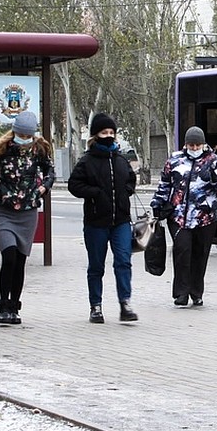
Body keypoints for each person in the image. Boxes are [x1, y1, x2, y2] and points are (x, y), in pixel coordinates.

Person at [0, 111, 54, 326]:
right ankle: (3, 306)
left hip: (28, 211)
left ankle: (15, 306)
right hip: (4, 210)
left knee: (21, 261)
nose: (24, 139)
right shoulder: (0, 150)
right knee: (10, 257)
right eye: (21, 135)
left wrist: (42, 188)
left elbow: (50, 171)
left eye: (28, 136)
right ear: (14, 131)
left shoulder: (39, 149)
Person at [150, 125, 217, 308]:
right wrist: (157, 204)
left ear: (203, 144)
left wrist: (214, 177)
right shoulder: (175, 160)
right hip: (179, 216)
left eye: (198, 145)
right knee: (182, 251)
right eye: (191, 145)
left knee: (200, 254)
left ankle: (196, 293)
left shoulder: (214, 161)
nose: (194, 149)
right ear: (186, 144)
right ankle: (181, 293)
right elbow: (164, 184)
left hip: (205, 217)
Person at [68, 114, 138, 324]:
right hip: (96, 222)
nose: (108, 136)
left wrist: (127, 190)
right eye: (104, 133)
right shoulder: (86, 161)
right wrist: (95, 193)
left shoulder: (120, 160)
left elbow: (130, 180)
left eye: (111, 133)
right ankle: (95, 306)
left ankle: (125, 303)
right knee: (96, 265)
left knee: (124, 261)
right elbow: (74, 185)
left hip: (121, 221)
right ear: (95, 136)